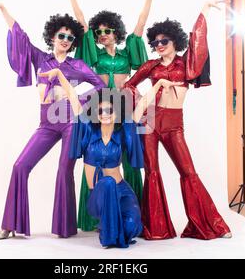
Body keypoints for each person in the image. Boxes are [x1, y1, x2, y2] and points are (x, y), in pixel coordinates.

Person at [0, 0, 106, 239]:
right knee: (20, 166)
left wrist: (78, 99)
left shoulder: (77, 65)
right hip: (47, 123)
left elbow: (100, 85)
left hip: (71, 121)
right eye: (61, 35)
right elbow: (21, 38)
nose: (65, 40)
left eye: (70, 38)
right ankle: (10, 224)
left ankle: (65, 227)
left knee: (63, 169)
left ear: (73, 43)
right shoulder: (41, 60)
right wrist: (3, 10)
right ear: (52, 36)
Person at [52, 0, 168, 230]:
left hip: (125, 108)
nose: (102, 34)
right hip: (101, 108)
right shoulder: (96, 55)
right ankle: (94, 216)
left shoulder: (127, 54)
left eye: (107, 30)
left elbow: (140, 24)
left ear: (117, 32)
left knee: (128, 157)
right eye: (99, 31)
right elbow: (82, 24)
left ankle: (132, 214)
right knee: (94, 156)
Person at [122, 0, 233, 240]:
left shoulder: (185, 64)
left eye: (164, 41)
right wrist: (141, 107)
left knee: (188, 172)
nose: (159, 45)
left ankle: (209, 225)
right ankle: (156, 229)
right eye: (155, 42)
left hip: (173, 125)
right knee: (151, 172)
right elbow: (128, 86)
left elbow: (198, 44)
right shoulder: (150, 66)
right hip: (150, 122)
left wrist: (203, 11)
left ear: (175, 42)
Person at [39, 67, 179, 247]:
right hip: (99, 194)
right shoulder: (89, 130)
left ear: (117, 112)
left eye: (109, 111)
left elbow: (143, 104)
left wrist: (159, 83)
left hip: (122, 191)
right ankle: (110, 232)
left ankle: (116, 227)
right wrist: (59, 74)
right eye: (101, 111)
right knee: (107, 182)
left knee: (132, 226)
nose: (105, 115)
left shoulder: (122, 132)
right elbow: (73, 98)